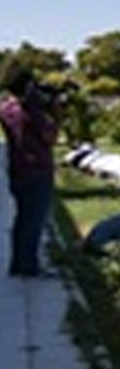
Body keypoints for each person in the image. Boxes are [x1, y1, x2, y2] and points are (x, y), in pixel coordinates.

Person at [0, 65, 61, 277]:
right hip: (38, 170)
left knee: (22, 220)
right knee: (34, 222)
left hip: (17, 169)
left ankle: (18, 264)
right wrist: (54, 112)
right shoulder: (32, 113)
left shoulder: (6, 108)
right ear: (28, 86)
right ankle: (29, 268)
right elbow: (50, 138)